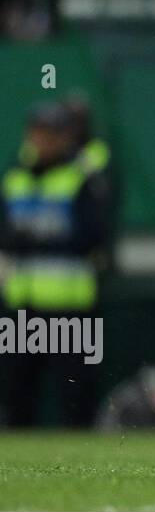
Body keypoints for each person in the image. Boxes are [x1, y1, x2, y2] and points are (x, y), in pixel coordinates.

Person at [0, 102, 113, 426]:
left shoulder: (82, 177)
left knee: (77, 396)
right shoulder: (15, 174)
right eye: (39, 133)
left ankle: (86, 466)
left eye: (53, 134)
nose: (44, 141)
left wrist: (32, 236)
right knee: (17, 393)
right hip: (22, 304)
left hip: (71, 306)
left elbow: (93, 235)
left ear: (67, 138)